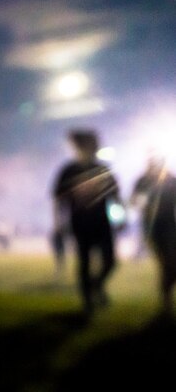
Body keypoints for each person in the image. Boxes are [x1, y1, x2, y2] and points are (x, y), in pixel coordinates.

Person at [52, 129, 122, 316]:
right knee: (84, 262)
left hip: (102, 223)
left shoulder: (103, 170)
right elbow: (58, 199)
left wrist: (121, 218)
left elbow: (116, 195)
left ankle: (96, 285)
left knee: (111, 261)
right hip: (80, 224)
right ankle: (87, 302)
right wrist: (58, 223)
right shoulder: (68, 171)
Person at [130, 152, 176, 318]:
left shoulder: (171, 179)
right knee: (167, 263)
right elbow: (134, 202)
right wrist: (142, 201)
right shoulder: (142, 181)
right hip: (152, 229)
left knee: (170, 265)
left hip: (171, 227)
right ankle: (166, 303)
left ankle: (166, 301)